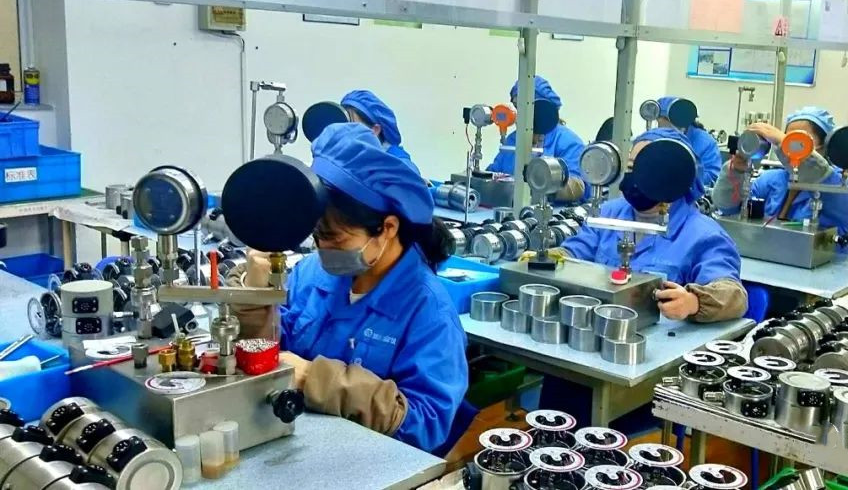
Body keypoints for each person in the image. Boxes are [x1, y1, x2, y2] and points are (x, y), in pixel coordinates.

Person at [228, 122, 468, 451]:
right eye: (316, 236)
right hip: (291, 444)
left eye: (334, 238)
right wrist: (254, 298)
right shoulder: (312, 273)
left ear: (387, 228)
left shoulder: (428, 312)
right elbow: (266, 350)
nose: (323, 249)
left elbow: (426, 423)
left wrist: (316, 379)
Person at [558, 128, 747, 322]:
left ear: (673, 176)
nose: (634, 177)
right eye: (630, 167)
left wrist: (693, 302)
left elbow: (733, 295)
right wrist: (551, 258)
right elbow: (574, 252)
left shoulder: (703, 235)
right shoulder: (609, 213)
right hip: (599, 323)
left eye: (645, 169)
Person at [713, 106, 848, 252]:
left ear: (824, 146)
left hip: (823, 260)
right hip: (771, 256)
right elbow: (729, 209)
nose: (791, 147)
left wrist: (784, 141)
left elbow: (816, 171)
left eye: (800, 141)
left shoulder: (841, 184)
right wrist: (736, 171)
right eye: (788, 139)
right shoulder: (771, 180)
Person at [486, 75, 588, 203]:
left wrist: (541, 186)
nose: (518, 114)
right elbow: (494, 173)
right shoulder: (513, 139)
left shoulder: (567, 141)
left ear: (543, 109)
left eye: (524, 107)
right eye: (516, 107)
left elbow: (577, 187)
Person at [340, 90, 423, 177]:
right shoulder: (350, 160)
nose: (344, 133)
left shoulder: (400, 169)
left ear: (375, 130)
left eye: (352, 126)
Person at [656, 96, 723, 188]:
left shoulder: (705, 142)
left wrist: (682, 176)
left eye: (668, 120)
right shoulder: (654, 138)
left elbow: (712, 176)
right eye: (661, 119)